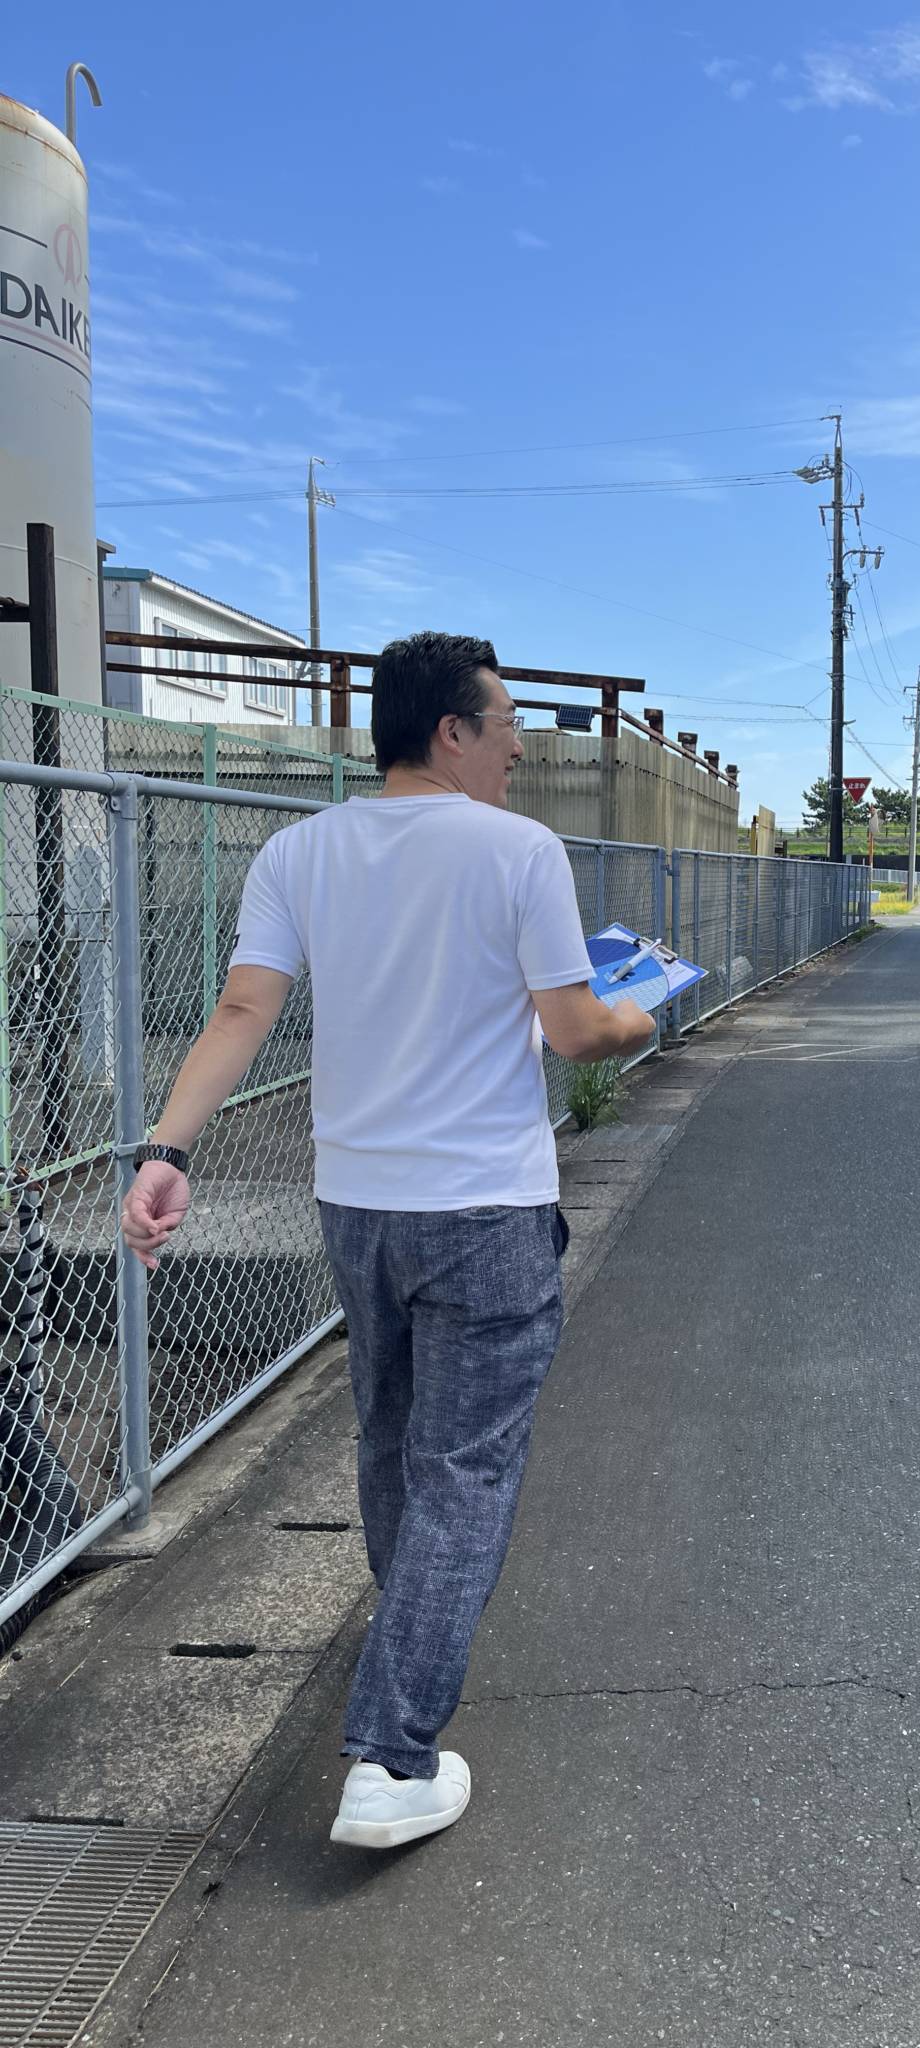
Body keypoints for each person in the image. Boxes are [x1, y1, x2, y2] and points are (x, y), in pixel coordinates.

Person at [120, 631, 654, 1850]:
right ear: (451, 731)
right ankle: (392, 1755)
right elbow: (574, 1029)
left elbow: (243, 1009)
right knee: (464, 1470)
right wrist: (636, 1015)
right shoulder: (520, 850)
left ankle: (406, 1642)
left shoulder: (299, 851)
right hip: (485, 1209)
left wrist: (166, 1148)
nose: (521, 746)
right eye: (507, 723)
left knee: (393, 1439)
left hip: (357, 1206)